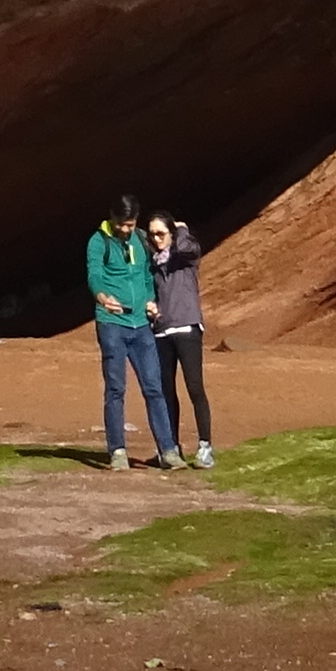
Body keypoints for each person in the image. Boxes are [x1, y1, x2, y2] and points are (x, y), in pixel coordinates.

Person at [85, 190, 176, 467]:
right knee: (116, 388)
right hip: (112, 324)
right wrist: (102, 296)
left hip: (141, 327)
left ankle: (168, 450)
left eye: (131, 224)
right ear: (113, 218)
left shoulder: (138, 240)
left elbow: (147, 275)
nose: (126, 229)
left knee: (154, 387)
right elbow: (94, 274)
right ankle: (117, 451)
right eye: (122, 224)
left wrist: (150, 300)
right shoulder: (98, 241)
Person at [148, 212, 217, 469]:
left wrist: (182, 231)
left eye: (161, 234)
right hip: (162, 331)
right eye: (153, 234)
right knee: (166, 391)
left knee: (195, 387)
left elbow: (190, 247)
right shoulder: (153, 263)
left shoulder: (186, 256)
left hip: (187, 328)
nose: (156, 239)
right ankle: (171, 447)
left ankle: (205, 446)